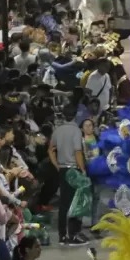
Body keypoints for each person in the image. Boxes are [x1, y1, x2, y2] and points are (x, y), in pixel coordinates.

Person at [48, 103, 89, 246]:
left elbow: (50, 150)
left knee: (64, 203)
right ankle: (73, 234)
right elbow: (78, 152)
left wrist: (56, 165)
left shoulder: (57, 130)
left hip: (63, 170)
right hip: (74, 169)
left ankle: (62, 236)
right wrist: (82, 169)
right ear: (76, 115)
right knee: (77, 202)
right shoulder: (76, 131)